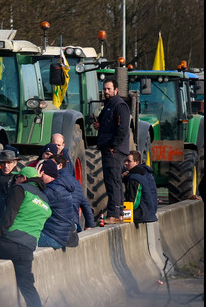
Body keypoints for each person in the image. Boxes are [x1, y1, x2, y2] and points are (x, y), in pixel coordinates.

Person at [0, 166, 53, 307]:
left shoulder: (20, 189)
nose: (15, 180)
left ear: (23, 178)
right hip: (27, 248)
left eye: (17, 178)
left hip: (10, 241)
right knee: (27, 285)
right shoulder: (45, 200)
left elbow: (10, 213)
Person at [95, 78, 131, 224]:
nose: (106, 92)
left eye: (109, 89)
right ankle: (120, 213)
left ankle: (114, 214)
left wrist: (112, 145)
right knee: (113, 180)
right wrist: (99, 125)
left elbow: (122, 129)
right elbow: (107, 123)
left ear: (116, 90)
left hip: (114, 150)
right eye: (104, 89)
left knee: (113, 181)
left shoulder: (120, 105)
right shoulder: (108, 105)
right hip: (109, 148)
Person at [35, 159, 73, 249]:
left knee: (21, 240)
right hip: (59, 235)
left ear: (50, 175)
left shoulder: (52, 191)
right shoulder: (59, 186)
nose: (39, 176)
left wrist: (35, 181)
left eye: (42, 174)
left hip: (53, 237)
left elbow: (33, 203)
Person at [52, 153, 95, 231]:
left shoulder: (55, 181)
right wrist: (90, 225)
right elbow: (85, 204)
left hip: (59, 225)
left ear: (60, 165)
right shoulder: (76, 182)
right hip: (73, 224)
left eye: (51, 164)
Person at [122, 150, 158, 224]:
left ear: (137, 162)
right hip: (149, 213)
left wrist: (123, 214)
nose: (126, 163)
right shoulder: (143, 174)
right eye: (125, 161)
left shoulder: (134, 179)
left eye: (129, 161)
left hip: (141, 215)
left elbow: (134, 202)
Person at [0, 149, 22, 225]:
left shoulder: (18, 177)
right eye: (3, 163)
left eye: (9, 162)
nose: (6, 166)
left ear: (15, 163)